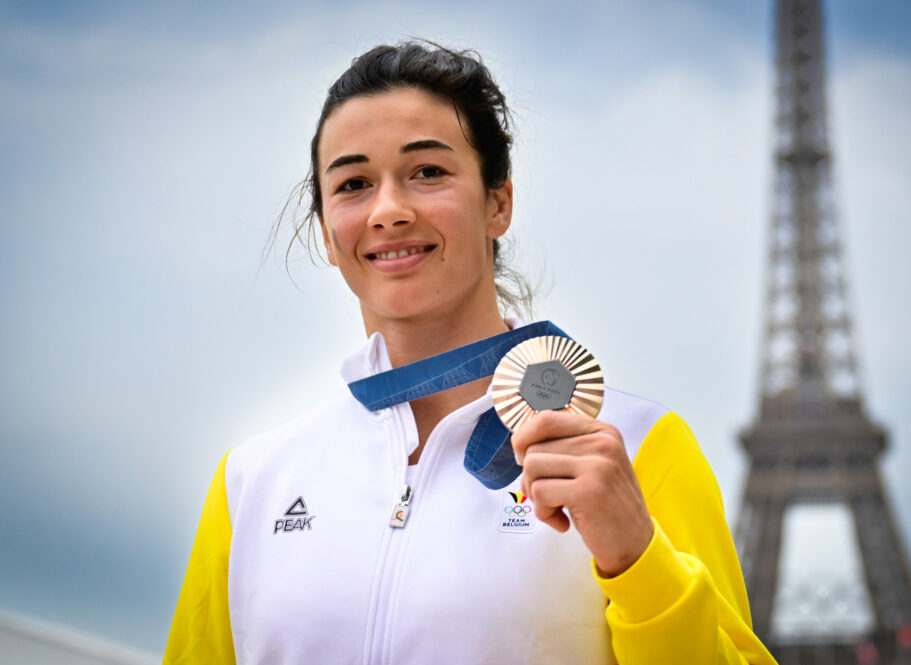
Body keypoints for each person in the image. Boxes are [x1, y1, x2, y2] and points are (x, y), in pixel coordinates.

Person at [164, 42, 777, 665]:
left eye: (428, 172)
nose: (389, 211)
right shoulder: (252, 481)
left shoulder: (640, 447)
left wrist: (639, 562)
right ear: (327, 232)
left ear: (498, 203)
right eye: (353, 184)